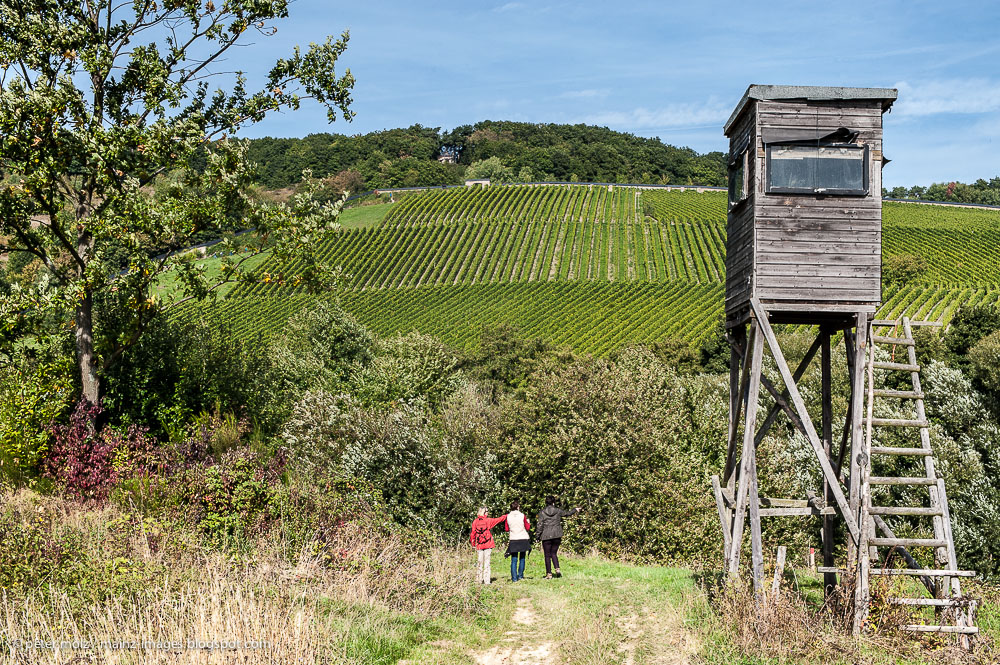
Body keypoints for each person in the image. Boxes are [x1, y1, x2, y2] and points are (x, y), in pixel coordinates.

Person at [536, 496, 581, 579]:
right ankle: (557, 569)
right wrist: (575, 509)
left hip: (546, 535)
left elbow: (540, 525)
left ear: (546, 502)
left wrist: (538, 536)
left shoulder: (542, 512)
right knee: (554, 553)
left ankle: (549, 574)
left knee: (547, 555)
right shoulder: (558, 511)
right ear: (553, 503)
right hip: (557, 534)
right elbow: (567, 513)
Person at [469, 507, 507, 584]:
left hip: (479, 544)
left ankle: (478, 580)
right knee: (487, 563)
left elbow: (473, 534)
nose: (488, 513)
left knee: (480, 562)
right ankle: (487, 581)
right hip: (488, 544)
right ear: (484, 512)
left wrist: (473, 544)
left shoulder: (475, 522)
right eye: (487, 511)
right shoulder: (488, 520)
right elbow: (499, 520)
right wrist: (506, 515)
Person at [504, 500, 531, 582]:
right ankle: (520, 575)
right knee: (522, 558)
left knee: (514, 559)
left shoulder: (508, 516)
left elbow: (506, 529)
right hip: (523, 537)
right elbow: (527, 528)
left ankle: (514, 578)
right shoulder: (522, 516)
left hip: (513, 538)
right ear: (518, 507)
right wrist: (528, 523)